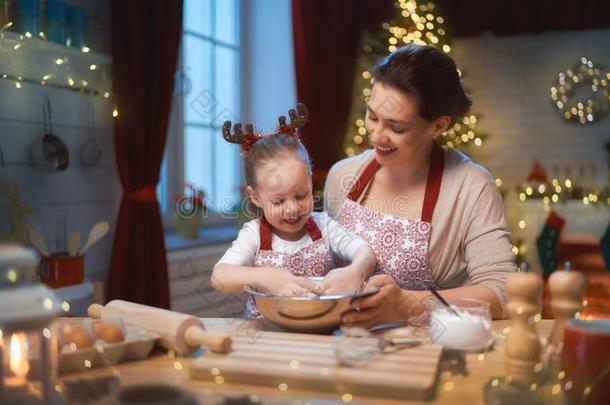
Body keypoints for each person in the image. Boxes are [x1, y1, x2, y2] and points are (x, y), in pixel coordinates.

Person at [324, 44, 516, 327]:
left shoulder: (470, 186)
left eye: (397, 128)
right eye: (372, 117)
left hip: (431, 353)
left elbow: (504, 293)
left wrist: (408, 304)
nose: (377, 136)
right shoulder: (343, 177)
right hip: (349, 348)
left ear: (438, 126)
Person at [212, 104, 376, 318]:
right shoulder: (253, 235)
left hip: (320, 324)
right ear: (255, 197)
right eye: (278, 201)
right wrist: (264, 277)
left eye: (301, 196)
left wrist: (354, 272)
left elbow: (365, 252)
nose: (292, 209)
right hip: (266, 331)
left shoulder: (323, 226)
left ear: (309, 182)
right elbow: (219, 277)